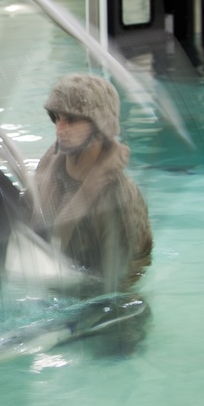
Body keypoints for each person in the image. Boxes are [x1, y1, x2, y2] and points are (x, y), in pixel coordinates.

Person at [31, 73, 153, 293]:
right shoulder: (50, 163)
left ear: (101, 125)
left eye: (72, 120)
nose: (60, 129)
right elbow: (27, 218)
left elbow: (116, 285)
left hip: (101, 308)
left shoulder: (118, 197)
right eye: (57, 118)